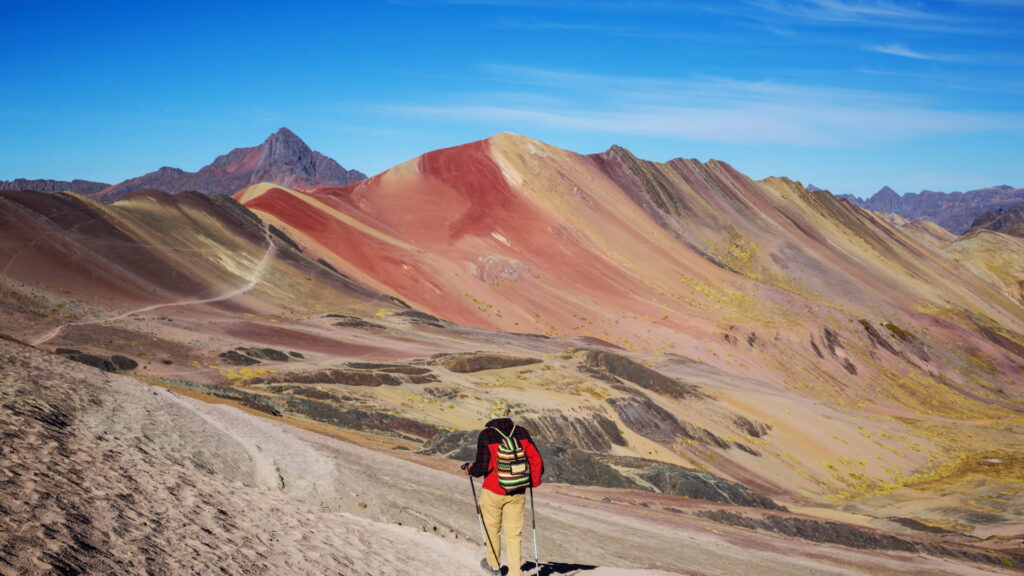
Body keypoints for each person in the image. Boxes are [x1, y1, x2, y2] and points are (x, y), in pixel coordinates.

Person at [464, 398, 544, 576]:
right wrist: (534, 481)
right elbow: (536, 459)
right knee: (514, 535)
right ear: (508, 412)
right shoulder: (521, 432)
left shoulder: (487, 435)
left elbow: (483, 466)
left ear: (492, 413)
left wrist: (470, 470)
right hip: (517, 490)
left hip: (493, 490)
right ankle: (516, 573)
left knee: (492, 529)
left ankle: (494, 566)